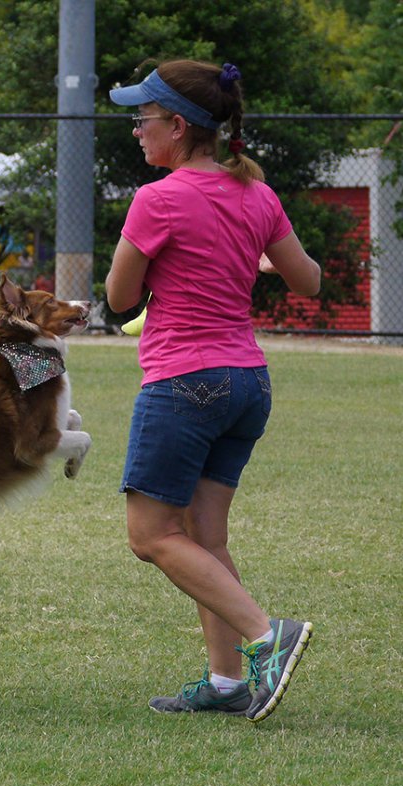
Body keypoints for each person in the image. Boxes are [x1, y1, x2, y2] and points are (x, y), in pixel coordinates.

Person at [105, 60, 321, 722]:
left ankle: (267, 636)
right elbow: (308, 281)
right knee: (204, 533)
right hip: (246, 384)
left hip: (185, 382)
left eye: (143, 118)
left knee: (150, 536)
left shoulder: (156, 199)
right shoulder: (257, 195)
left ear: (177, 126)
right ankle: (228, 684)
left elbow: (118, 298)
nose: (136, 129)